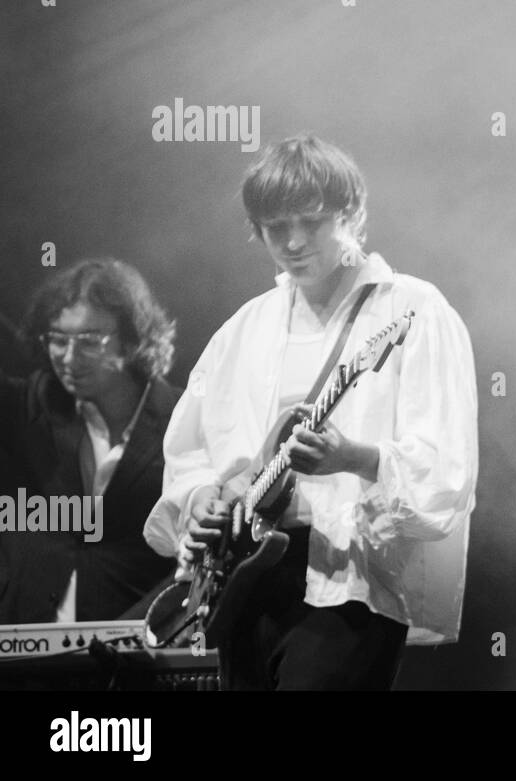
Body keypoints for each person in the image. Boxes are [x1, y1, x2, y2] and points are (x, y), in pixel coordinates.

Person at [143, 134, 478, 690]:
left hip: (346, 580)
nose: (294, 241)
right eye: (277, 228)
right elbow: (191, 453)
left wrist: (355, 457)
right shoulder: (244, 329)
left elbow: (447, 469)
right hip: (243, 580)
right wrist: (201, 497)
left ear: (352, 214)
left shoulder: (412, 310)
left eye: (312, 222)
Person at [0, 259, 178, 624]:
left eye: (89, 341)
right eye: (58, 339)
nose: (68, 357)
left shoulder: (181, 417)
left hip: (139, 643)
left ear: (133, 339)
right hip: (26, 642)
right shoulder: (30, 405)